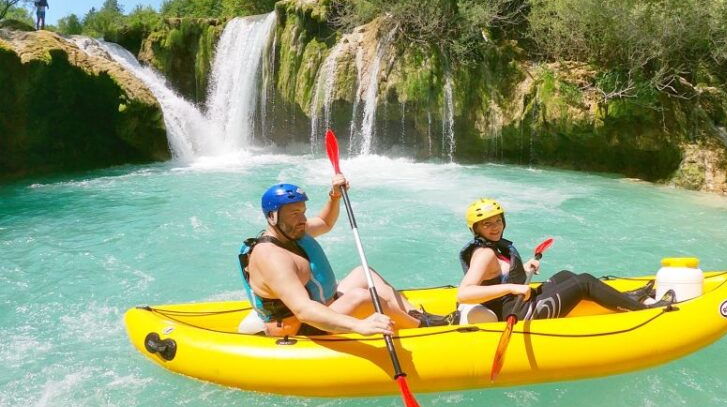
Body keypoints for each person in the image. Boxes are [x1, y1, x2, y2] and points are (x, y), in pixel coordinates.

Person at [237, 176, 455, 337]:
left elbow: (325, 223)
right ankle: (424, 332)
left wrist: (335, 195)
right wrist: (358, 326)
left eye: (303, 211)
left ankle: (414, 316)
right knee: (362, 296)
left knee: (364, 273)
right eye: (295, 214)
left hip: (326, 306)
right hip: (301, 328)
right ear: (272, 217)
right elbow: (303, 311)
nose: (303, 219)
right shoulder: (271, 257)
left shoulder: (292, 231)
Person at [456, 198, 674, 324]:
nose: (495, 227)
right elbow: (464, 293)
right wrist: (513, 286)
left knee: (566, 275)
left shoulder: (494, 247)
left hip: (518, 302)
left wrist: (523, 268)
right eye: (487, 224)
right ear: (476, 229)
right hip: (518, 313)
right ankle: (642, 311)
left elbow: (497, 276)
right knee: (583, 283)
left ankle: (626, 298)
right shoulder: (483, 253)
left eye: (498, 221)